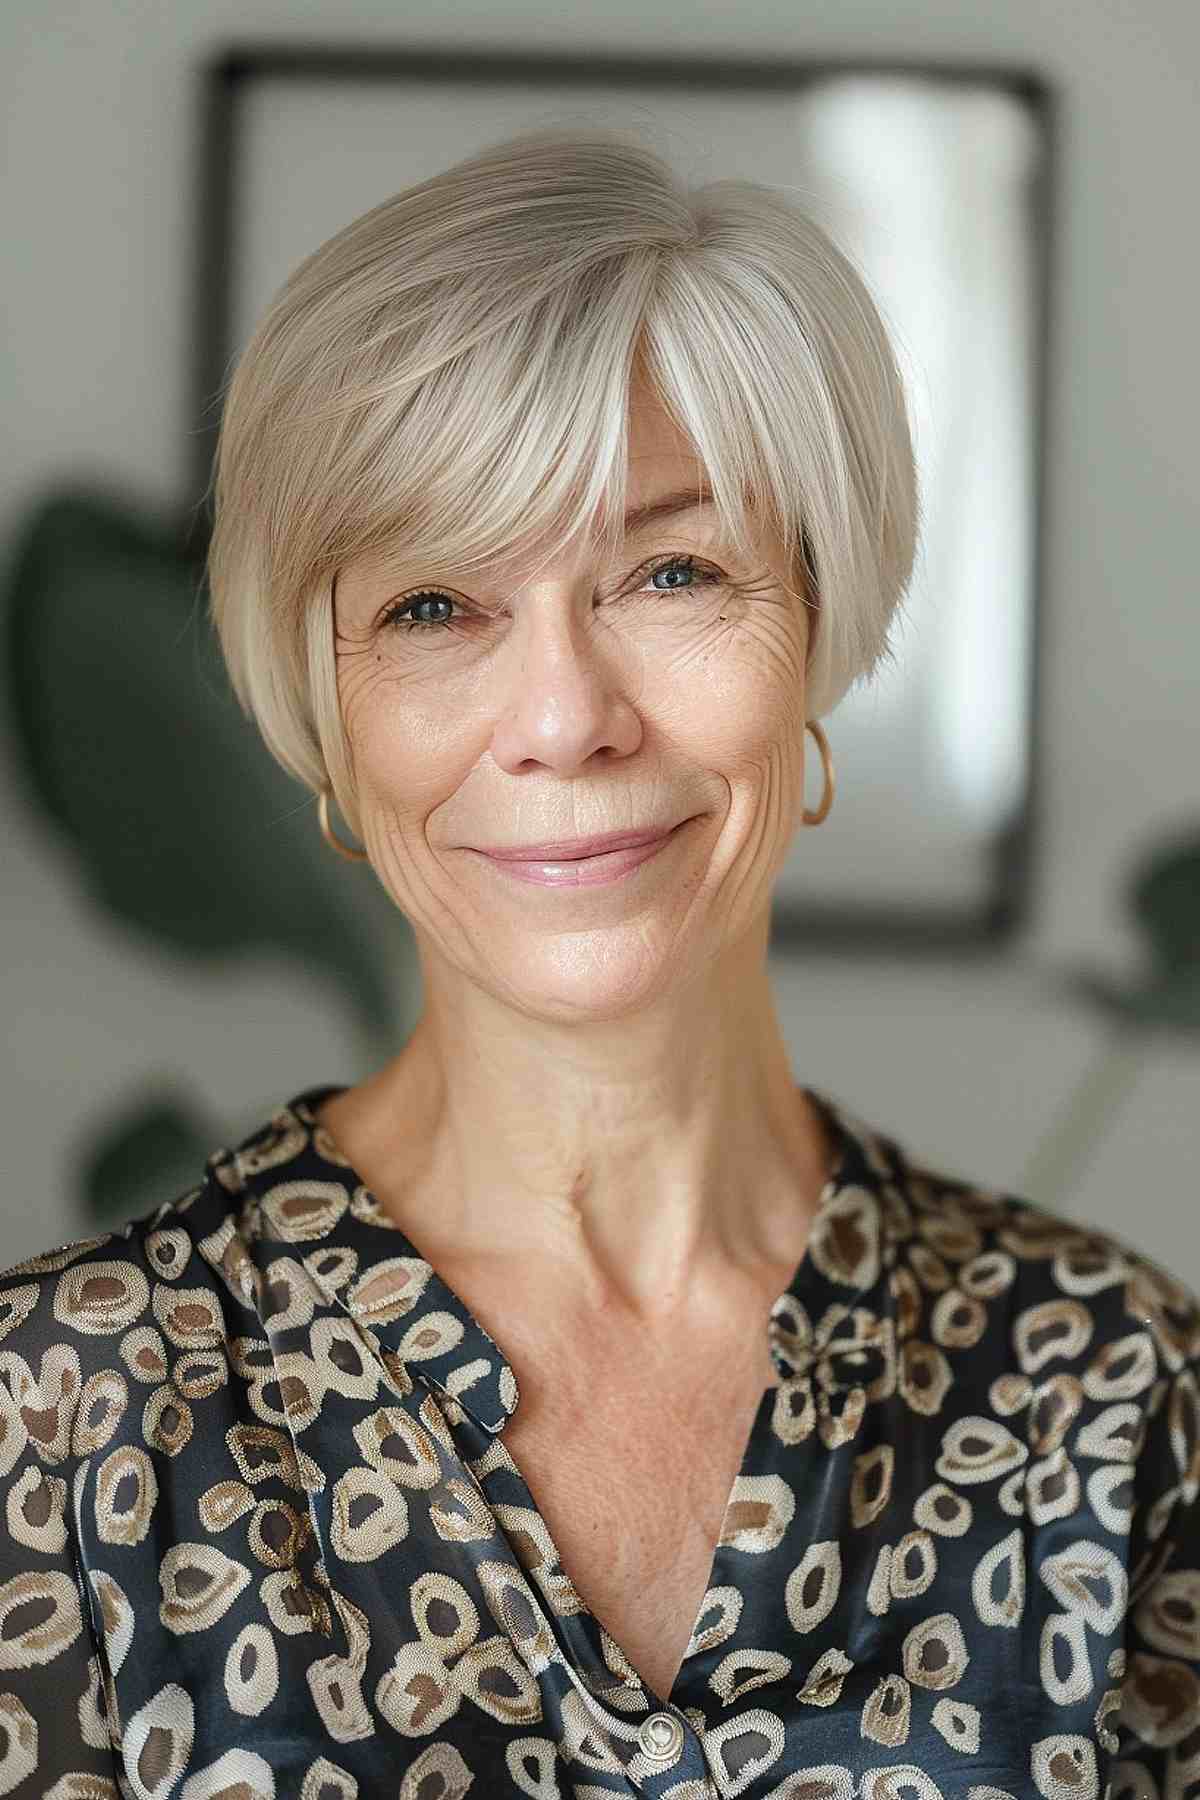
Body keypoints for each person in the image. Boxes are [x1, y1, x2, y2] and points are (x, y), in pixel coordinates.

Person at [1, 124, 1196, 1799]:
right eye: (435, 606)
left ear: (818, 625)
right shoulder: (62, 1423)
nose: (564, 717)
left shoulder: (1114, 1394)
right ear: (325, 707)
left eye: (673, 571)